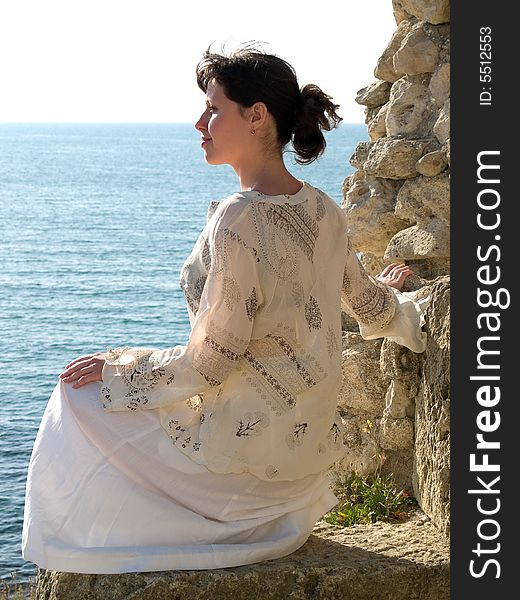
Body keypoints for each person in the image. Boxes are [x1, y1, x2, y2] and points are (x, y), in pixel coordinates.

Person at [22, 44, 427, 574]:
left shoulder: (240, 217)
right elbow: (372, 310)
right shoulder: (325, 210)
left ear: (256, 117)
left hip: (244, 480)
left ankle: (99, 547)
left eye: (213, 108)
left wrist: (120, 371)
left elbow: (212, 362)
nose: (199, 122)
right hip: (297, 483)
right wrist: (399, 297)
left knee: (76, 398)